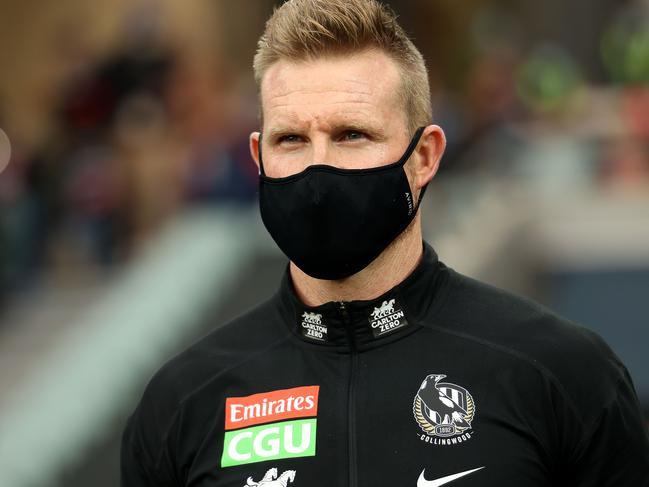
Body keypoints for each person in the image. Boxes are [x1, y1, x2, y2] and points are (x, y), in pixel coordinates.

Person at [120, 1, 649, 485]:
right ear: (258, 158)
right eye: (291, 139)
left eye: (352, 135)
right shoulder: (183, 403)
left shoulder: (560, 372)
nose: (317, 168)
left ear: (424, 158)